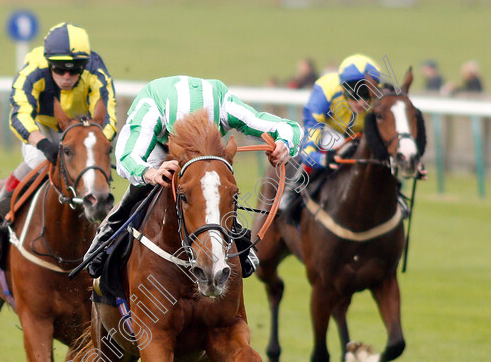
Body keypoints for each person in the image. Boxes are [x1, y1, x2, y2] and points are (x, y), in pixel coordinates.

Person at [83, 75, 302, 279]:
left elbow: (288, 127)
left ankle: (233, 230)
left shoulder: (223, 105)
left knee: (216, 182)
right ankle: (109, 232)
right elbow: (127, 156)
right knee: (146, 183)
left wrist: (284, 144)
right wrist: (150, 172)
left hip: (206, 153)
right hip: (161, 149)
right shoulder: (153, 108)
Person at [0, 22, 117, 249]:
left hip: (84, 129)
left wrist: (95, 144)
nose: (67, 76)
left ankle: (112, 225)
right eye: (59, 69)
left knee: (96, 164)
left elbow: (109, 118)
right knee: (37, 160)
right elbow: (20, 115)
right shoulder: (34, 70)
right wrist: (43, 144)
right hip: (44, 127)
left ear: (84, 64)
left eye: (74, 70)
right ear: (49, 62)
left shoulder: (96, 71)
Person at [278, 54, 381, 224]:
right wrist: (323, 159)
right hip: (330, 130)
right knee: (335, 141)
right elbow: (307, 150)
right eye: (355, 95)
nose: (362, 102)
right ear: (343, 89)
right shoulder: (324, 93)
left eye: (367, 95)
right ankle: (292, 190)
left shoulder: (381, 96)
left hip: (361, 134)